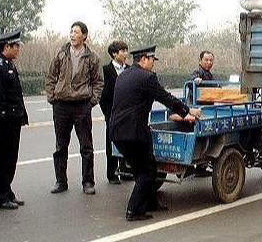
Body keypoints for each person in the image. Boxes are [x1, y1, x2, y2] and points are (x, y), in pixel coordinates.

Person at [109, 45, 201, 221]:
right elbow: (165, 97)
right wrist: (188, 111)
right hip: (134, 133)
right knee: (148, 172)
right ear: (144, 59)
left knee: (142, 169)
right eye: (152, 60)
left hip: (117, 131)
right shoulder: (147, 77)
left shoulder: (124, 75)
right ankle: (133, 211)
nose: (153, 64)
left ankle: (149, 203)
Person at [46, 22, 103, 195]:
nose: (72, 35)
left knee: (86, 146)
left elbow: (98, 82)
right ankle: (60, 181)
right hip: (61, 105)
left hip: (82, 105)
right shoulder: (61, 53)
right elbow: (50, 76)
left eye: (76, 32)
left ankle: (88, 182)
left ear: (84, 36)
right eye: (71, 31)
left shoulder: (92, 57)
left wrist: (91, 101)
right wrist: (52, 97)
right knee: (60, 146)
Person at [0, 30, 28, 210]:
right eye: (16, 46)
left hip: (13, 119)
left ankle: (7, 190)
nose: (18, 49)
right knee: (0, 159)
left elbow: (16, 93)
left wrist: (21, 115)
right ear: (6, 47)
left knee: (11, 158)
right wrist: (4, 117)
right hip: (2, 122)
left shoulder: (9, 64)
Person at [99, 40, 129, 185]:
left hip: (128, 113)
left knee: (127, 142)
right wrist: (107, 113)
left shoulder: (129, 69)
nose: (125, 54)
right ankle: (111, 174)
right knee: (111, 143)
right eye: (122, 51)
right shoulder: (106, 70)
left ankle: (125, 171)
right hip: (113, 113)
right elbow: (102, 95)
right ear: (114, 54)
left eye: (126, 50)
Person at [190, 50, 215, 177]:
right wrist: (196, 80)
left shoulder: (210, 75)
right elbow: (193, 79)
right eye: (206, 60)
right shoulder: (198, 72)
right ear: (200, 61)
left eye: (211, 60)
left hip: (207, 109)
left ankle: (201, 167)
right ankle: (197, 165)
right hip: (198, 110)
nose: (209, 62)